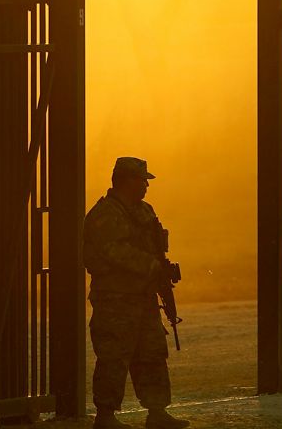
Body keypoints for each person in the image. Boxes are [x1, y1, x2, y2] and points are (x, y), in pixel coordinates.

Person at [84, 157, 189, 429]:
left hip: (143, 297)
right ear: (126, 181)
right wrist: (151, 265)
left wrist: (162, 271)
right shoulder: (105, 214)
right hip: (115, 300)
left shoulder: (144, 211)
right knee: (114, 357)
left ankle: (157, 412)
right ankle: (105, 416)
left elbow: (153, 247)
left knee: (152, 354)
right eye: (142, 180)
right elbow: (113, 251)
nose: (146, 185)